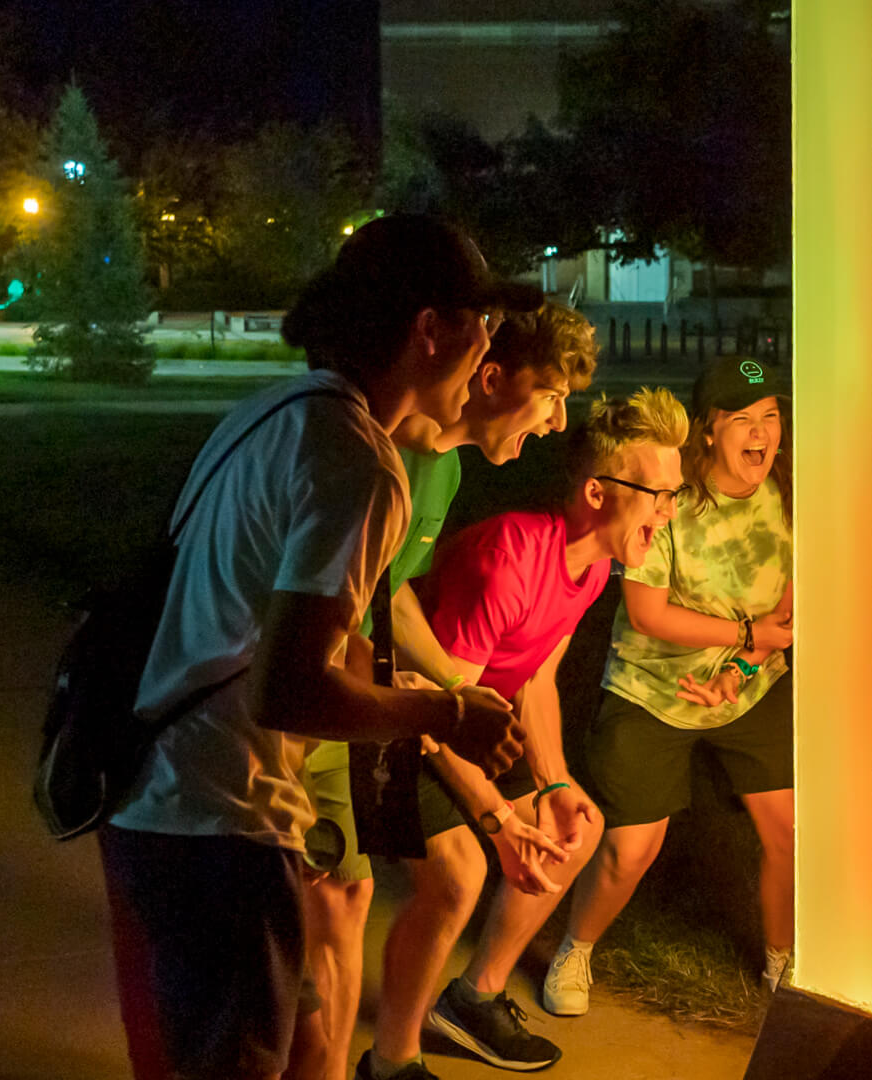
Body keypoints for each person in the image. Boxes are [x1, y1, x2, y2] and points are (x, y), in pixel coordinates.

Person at [99, 213, 531, 1080]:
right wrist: (449, 712)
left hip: (159, 791)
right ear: (429, 330)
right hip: (220, 818)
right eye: (480, 321)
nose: (491, 345)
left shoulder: (274, 412)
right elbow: (290, 692)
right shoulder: (360, 463)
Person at [298, 300, 596, 1080]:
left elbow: (390, 596)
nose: (559, 424)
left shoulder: (448, 467)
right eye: (552, 396)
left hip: (357, 695)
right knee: (330, 911)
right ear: (489, 375)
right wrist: (452, 714)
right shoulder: (381, 453)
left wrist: (454, 683)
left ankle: (386, 1063)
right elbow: (346, 624)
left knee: (347, 906)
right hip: (308, 699)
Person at [354, 388, 691, 1079]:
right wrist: (500, 818)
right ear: (598, 492)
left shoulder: (593, 568)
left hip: (472, 722)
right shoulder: (510, 558)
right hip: (404, 718)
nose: (669, 511)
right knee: (459, 875)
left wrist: (557, 781)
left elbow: (535, 680)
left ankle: (473, 998)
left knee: (578, 826)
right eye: (658, 494)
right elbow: (439, 708)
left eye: (674, 495)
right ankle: (391, 1060)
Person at [552, 355, 796, 1009]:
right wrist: (748, 639)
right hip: (650, 692)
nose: (760, 432)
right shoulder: (668, 503)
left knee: (791, 830)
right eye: (742, 417)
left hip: (749, 686)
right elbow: (646, 613)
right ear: (708, 431)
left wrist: (743, 668)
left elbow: (788, 616)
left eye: (770, 415)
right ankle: (574, 951)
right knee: (632, 847)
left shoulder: (792, 496)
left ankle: (782, 963)